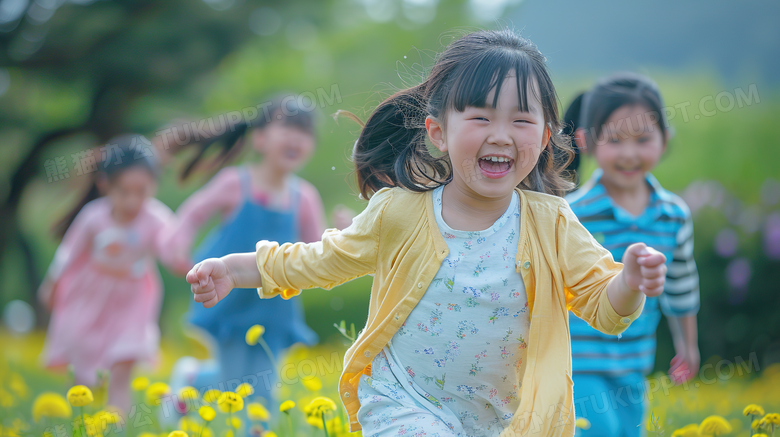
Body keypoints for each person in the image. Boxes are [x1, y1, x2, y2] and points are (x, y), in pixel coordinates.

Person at [185, 30, 669, 436]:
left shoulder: (552, 223)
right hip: (402, 404)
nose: (500, 134)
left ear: (544, 138)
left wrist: (629, 282)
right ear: (438, 131)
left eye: (521, 120)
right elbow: (319, 259)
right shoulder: (401, 212)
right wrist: (235, 268)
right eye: (480, 117)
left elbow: (606, 311)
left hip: (500, 422)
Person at [159, 95, 329, 404]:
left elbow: (317, 250)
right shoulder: (235, 183)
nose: (296, 137)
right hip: (230, 299)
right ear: (260, 138)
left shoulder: (304, 198)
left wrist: (342, 234)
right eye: (287, 127)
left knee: (263, 390)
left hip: (275, 306)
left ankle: (211, 395)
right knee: (232, 384)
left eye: (304, 131)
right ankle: (191, 382)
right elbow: (194, 212)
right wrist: (177, 242)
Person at [563, 72, 701, 436]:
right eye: (615, 140)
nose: (629, 153)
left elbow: (681, 286)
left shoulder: (673, 215)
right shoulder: (571, 214)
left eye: (643, 139)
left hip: (635, 363)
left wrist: (688, 345)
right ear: (586, 142)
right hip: (578, 363)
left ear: (665, 139)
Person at [38, 135, 187, 414]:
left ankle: (116, 424)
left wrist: (183, 263)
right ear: (104, 184)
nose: (132, 201)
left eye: (141, 191)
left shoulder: (156, 218)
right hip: (91, 296)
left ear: (153, 185)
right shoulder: (93, 216)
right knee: (83, 370)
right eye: (123, 191)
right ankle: (78, 422)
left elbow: (170, 247)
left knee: (122, 365)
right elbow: (68, 254)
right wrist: (52, 284)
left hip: (132, 300)